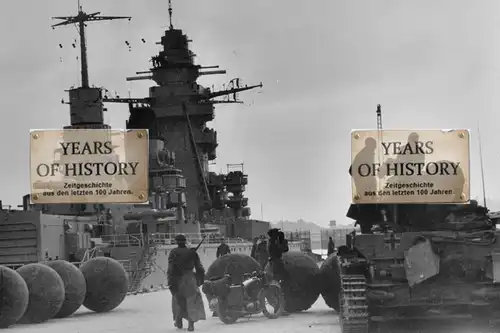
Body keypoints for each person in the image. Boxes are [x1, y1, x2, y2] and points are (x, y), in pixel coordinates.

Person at [167, 234, 206, 331]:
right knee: (191, 301)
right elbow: (200, 268)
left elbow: (171, 269)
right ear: (185, 241)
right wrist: (199, 280)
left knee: (178, 301)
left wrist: (170, 281)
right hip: (190, 279)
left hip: (177, 279)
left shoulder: (173, 252)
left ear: (177, 241)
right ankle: (191, 324)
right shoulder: (192, 253)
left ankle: (178, 321)